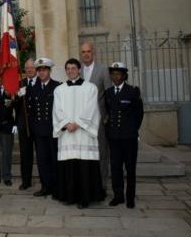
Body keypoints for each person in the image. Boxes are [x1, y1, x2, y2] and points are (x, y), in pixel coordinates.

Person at [53, 58, 105, 208]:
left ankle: (85, 198)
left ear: (79, 69)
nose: (70, 71)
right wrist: (66, 124)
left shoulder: (91, 88)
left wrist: (78, 123)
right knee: (69, 165)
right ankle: (69, 196)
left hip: (83, 135)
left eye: (73, 68)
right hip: (68, 134)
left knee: (84, 167)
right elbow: (57, 110)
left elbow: (92, 109)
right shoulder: (59, 89)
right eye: (68, 68)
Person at [105, 62, 144, 209]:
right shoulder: (108, 92)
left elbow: (139, 114)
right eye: (113, 74)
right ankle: (118, 196)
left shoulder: (132, 91)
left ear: (124, 76)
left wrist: (132, 130)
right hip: (114, 138)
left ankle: (130, 197)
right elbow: (109, 113)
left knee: (130, 168)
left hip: (129, 138)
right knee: (115, 168)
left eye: (118, 74)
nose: (115, 77)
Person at [80, 43, 112, 190]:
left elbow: (109, 94)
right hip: (81, 121)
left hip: (98, 119)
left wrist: (107, 117)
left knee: (101, 152)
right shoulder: (77, 70)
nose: (86, 54)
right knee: (86, 153)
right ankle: (88, 184)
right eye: (83, 52)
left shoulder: (103, 70)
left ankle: (102, 185)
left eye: (88, 51)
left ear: (93, 53)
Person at [30, 58, 61, 197]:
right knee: (42, 161)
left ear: (50, 71)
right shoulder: (33, 88)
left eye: (44, 70)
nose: (42, 73)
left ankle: (55, 188)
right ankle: (45, 187)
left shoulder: (57, 87)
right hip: (39, 130)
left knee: (54, 160)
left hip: (53, 130)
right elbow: (31, 111)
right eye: (39, 70)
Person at [16, 59, 38, 190]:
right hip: (24, 125)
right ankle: (26, 181)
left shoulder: (41, 83)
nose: (29, 70)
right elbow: (13, 105)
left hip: (38, 125)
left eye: (32, 68)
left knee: (41, 155)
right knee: (25, 154)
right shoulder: (20, 83)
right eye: (27, 68)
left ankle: (46, 182)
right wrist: (18, 95)